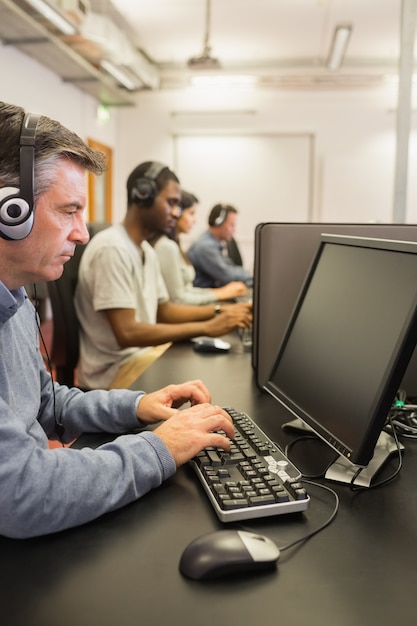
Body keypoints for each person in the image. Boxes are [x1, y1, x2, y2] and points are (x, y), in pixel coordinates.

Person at [0, 101, 235, 539]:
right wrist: (162, 446)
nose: (83, 233)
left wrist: (136, 406)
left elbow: (46, 402)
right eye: (69, 210)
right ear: (11, 212)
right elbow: (21, 494)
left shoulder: (13, 298)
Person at [75, 162, 252, 390]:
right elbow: (127, 332)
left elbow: (165, 310)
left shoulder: (145, 250)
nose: (176, 213)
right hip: (113, 373)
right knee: (211, 382)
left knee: (212, 372)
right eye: (171, 203)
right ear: (142, 195)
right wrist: (207, 327)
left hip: (140, 357)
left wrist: (221, 311)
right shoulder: (112, 249)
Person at [151, 190, 248, 305]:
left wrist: (221, 293)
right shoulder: (170, 247)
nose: (195, 220)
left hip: (195, 302)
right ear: (177, 213)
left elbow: (187, 290)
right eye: (191, 213)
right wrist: (221, 294)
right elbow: (178, 300)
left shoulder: (176, 245)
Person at [187, 203, 253, 288]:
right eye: (231, 225)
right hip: (204, 294)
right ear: (218, 222)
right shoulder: (206, 246)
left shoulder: (213, 242)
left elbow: (229, 267)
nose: (234, 230)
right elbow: (226, 275)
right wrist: (252, 276)